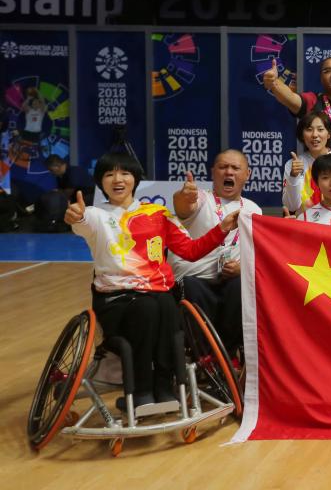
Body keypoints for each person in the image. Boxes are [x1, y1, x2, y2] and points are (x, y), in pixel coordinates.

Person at [67, 151, 239, 416]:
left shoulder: (158, 214)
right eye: (109, 174)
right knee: (148, 307)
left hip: (156, 295)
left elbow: (191, 250)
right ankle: (141, 391)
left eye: (124, 173)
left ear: (135, 180)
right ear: (101, 183)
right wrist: (75, 216)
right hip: (116, 300)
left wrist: (223, 228)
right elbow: (81, 223)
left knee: (169, 306)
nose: (117, 179)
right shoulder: (95, 216)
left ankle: (165, 388)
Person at [171, 150, 262, 354]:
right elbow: (183, 205)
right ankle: (203, 358)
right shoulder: (201, 198)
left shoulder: (254, 209)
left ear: (247, 174)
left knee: (243, 285)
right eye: (222, 167)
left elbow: (256, 253)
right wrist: (184, 196)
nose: (228, 172)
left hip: (229, 281)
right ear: (213, 173)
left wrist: (242, 267)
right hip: (195, 279)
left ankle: (228, 357)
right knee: (192, 286)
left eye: (235, 168)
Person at [263, 53, 331, 200]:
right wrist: (274, 83)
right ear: (321, 77)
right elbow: (290, 98)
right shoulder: (312, 101)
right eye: (328, 71)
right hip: (317, 189)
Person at [281, 110, 331, 214]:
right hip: (304, 225)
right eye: (309, 129)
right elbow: (291, 206)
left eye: (320, 129)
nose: (315, 135)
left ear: (329, 134)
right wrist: (294, 177)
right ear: (302, 135)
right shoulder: (293, 164)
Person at [35, 154, 93, 232]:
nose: (51, 173)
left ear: (56, 166)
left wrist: (57, 192)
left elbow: (68, 192)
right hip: (78, 202)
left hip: (90, 201)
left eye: (51, 170)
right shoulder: (60, 177)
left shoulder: (73, 171)